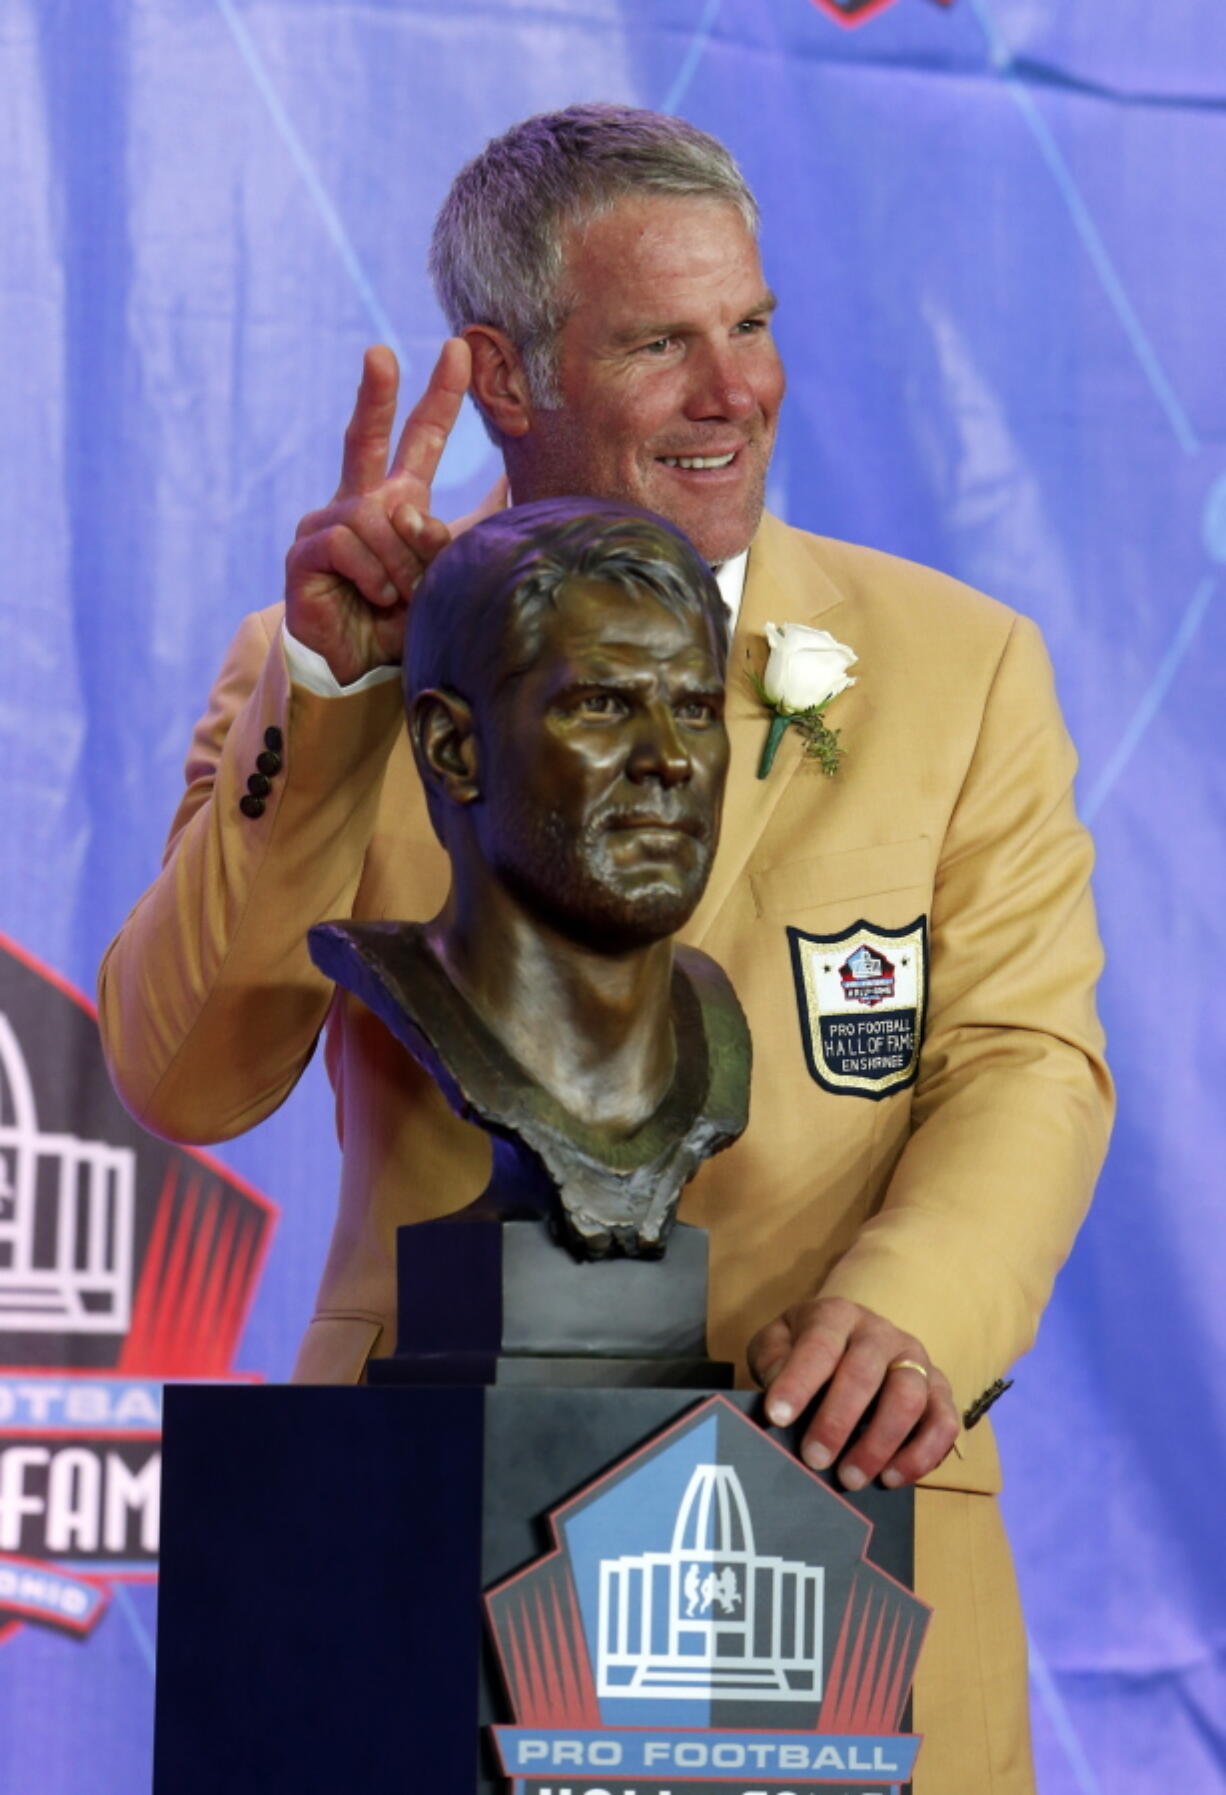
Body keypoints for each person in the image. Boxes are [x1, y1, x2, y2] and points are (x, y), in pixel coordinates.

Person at [98, 104, 1112, 1793]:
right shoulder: (346, 664)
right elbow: (182, 1072)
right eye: (661, 342)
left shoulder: (960, 664)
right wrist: (340, 701)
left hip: (842, 1537)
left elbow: (1026, 1061)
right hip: (420, 1552)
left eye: (754, 327)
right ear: (506, 377)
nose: (736, 393)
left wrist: (909, 1315)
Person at [309, 496, 751, 1260]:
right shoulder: (402, 980)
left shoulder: (711, 1019)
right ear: (453, 748)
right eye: (604, 705)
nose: (670, 758)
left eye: (697, 708)